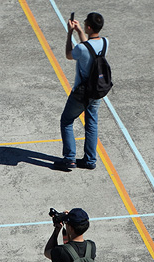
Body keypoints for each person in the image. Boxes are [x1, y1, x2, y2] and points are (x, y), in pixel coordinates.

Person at [53, 13, 108, 170]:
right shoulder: (105, 42)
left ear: (89, 27)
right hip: (97, 90)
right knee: (91, 123)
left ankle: (69, 159)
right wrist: (79, 32)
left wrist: (70, 33)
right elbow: (89, 48)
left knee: (66, 120)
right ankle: (90, 160)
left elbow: (69, 55)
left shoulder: (81, 49)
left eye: (84, 24)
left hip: (81, 92)